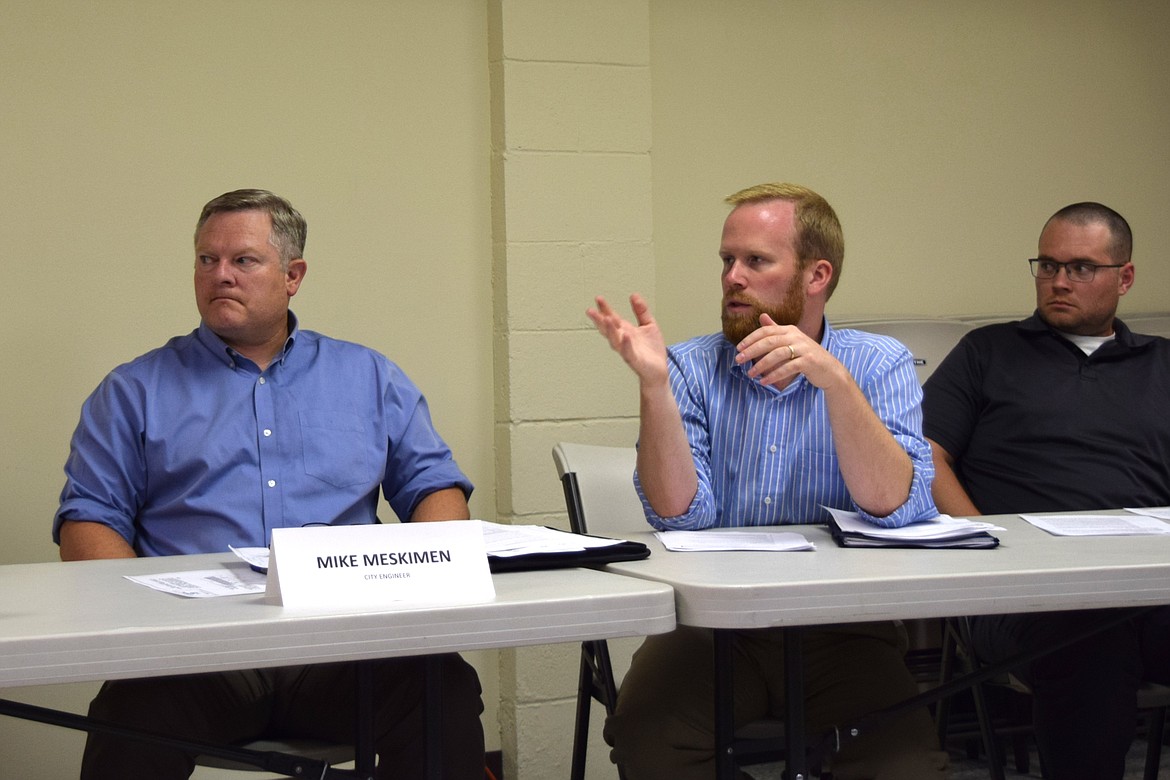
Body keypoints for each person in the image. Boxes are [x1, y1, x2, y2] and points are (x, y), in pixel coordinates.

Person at [54, 189, 485, 779]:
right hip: (196, 659)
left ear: (293, 274)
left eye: (243, 261)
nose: (220, 276)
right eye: (207, 260)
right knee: (128, 715)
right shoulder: (135, 390)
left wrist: (426, 581)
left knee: (443, 687)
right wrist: (151, 628)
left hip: (342, 651)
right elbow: (88, 523)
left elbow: (435, 489)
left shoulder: (367, 376)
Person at [587, 182, 948, 779]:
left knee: (904, 765)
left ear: (816, 275)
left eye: (756, 260)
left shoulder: (878, 362)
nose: (733, 276)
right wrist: (654, 387)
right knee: (648, 739)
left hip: (845, 627)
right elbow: (679, 514)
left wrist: (835, 382)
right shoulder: (689, 365)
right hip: (712, 627)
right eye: (728, 260)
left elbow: (895, 506)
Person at [922, 201, 1170, 779]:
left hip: (1151, 583)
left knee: (1112, 631)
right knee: (1088, 636)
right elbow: (924, 454)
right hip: (1026, 592)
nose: (1059, 281)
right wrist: (987, 542)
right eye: (1048, 265)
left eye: (1081, 267)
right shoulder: (988, 352)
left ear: (1125, 277)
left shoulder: (1162, 365)